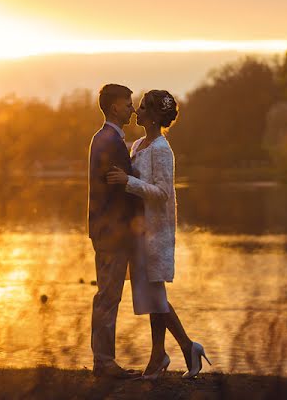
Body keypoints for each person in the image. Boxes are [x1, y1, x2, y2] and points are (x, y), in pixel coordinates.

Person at [107, 90, 210, 379]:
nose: (136, 112)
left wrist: (128, 182)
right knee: (152, 296)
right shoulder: (139, 143)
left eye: (141, 108)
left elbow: (163, 194)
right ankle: (161, 355)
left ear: (152, 116)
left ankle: (184, 348)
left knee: (154, 296)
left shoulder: (163, 150)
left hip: (154, 233)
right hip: (137, 230)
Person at [87, 83, 142, 379]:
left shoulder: (105, 138)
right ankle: (104, 362)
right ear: (113, 108)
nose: (132, 109)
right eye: (128, 103)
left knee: (107, 295)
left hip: (106, 228)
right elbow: (120, 187)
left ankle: (103, 360)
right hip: (112, 230)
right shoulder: (110, 141)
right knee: (108, 296)